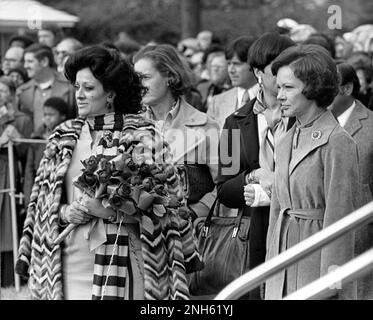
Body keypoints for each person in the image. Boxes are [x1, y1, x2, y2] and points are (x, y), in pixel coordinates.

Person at [16, 45, 201, 300]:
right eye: (77, 87)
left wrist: (111, 211)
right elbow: (42, 205)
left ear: (111, 94)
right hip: (66, 266)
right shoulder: (62, 136)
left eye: (88, 88)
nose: (79, 95)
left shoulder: (143, 136)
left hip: (125, 260)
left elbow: (167, 208)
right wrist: (65, 211)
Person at [265, 44, 359, 300]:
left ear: (313, 87)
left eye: (288, 87)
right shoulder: (285, 138)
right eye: (279, 87)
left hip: (314, 263)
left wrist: (331, 286)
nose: (279, 95)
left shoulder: (337, 141)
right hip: (281, 262)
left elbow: (341, 222)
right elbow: (276, 212)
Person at [217, 32, 295, 300]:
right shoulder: (234, 122)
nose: (289, 74)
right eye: (280, 68)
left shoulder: (303, 118)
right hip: (253, 235)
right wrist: (253, 176)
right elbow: (224, 189)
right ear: (259, 72)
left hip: (295, 230)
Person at [133, 44, 220, 221]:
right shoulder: (130, 126)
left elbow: (225, 185)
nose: (138, 85)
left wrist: (196, 211)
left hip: (190, 237)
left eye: (145, 77)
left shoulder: (207, 126)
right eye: (135, 78)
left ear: (170, 77)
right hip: (139, 235)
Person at [330, 62, 373, 300]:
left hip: (361, 245)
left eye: (329, 86)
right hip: (320, 241)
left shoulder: (371, 126)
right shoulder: (309, 125)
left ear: (346, 89)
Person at [0, 76, 32, 287]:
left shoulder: (22, 118)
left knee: (7, 226)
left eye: (2, 91)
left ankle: (10, 280)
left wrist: (17, 137)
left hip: (7, 176)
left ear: (11, 94)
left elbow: (27, 153)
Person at [17, 43, 76, 131]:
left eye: (30, 61)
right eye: (25, 62)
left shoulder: (70, 87)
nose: (25, 66)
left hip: (63, 141)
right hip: (32, 143)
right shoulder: (22, 91)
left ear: (44, 61)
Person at [23, 97, 69, 207]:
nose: (47, 118)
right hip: (38, 191)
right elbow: (29, 171)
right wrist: (28, 198)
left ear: (63, 116)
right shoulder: (36, 138)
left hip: (60, 193)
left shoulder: (68, 138)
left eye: (51, 115)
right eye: (45, 115)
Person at [207, 36, 258, 130]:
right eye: (229, 64)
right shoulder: (217, 102)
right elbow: (211, 140)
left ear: (254, 64)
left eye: (236, 64)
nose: (231, 70)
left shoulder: (272, 99)